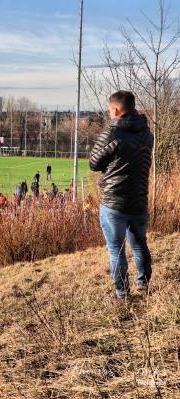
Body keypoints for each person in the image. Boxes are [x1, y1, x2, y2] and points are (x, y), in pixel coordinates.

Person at [89, 90, 153, 300]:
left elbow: (93, 163)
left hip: (114, 203)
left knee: (116, 250)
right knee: (140, 244)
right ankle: (144, 286)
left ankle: (122, 294)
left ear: (116, 110)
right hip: (139, 200)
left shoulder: (111, 134)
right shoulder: (147, 133)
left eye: (109, 111)